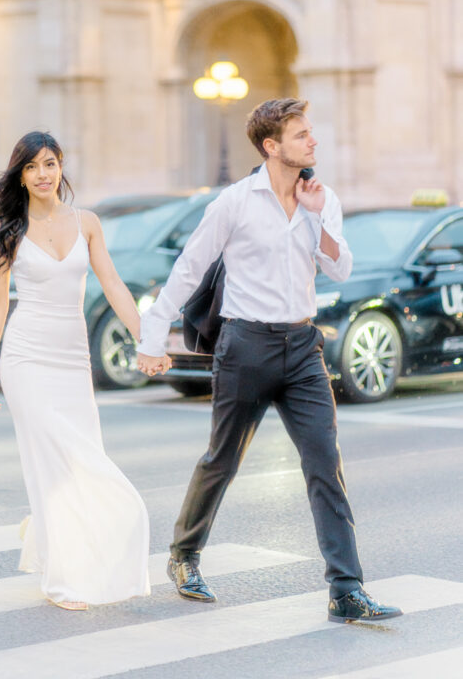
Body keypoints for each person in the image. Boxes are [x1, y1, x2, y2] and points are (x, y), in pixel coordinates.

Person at [136, 98, 402, 624]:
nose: (313, 141)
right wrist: (151, 336)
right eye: (302, 135)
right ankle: (184, 556)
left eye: (311, 133)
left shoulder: (321, 199)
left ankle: (345, 590)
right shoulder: (234, 203)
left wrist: (315, 216)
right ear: (271, 146)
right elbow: (189, 269)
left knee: (325, 463)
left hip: (302, 348)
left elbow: (341, 268)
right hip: (245, 348)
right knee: (222, 459)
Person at [0, 131, 161, 611]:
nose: (43, 174)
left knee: (75, 462)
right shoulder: (8, 231)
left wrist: (147, 335)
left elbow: (114, 285)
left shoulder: (88, 224)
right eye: (33, 167)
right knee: (54, 458)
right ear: (21, 175)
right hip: (25, 358)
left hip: (72, 359)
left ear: (62, 168)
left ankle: (49, 536)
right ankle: (63, 577)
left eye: (50, 164)